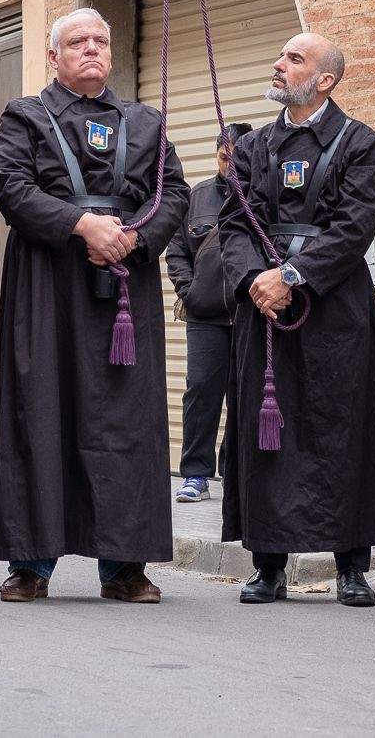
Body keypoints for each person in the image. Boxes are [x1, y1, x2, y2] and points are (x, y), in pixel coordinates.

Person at [0, 9, 189, 605]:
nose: (93, 49)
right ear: (54, 57)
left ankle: (125, 567)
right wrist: (80, 225)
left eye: (101, 40)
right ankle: (31, 564)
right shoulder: (24, 116)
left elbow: (174, 191)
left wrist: (134, 236)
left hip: (124, 282)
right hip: (47, 281)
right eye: (78, 42)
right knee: (39, 408)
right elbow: (14, 188)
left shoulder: (145, 121)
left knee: (125, 418)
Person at [216, 33, 375, 608]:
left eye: (294, 59)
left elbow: (353, 228)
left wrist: (293, 277)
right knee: (268, 433)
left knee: (344, 430)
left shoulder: (361, 144)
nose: (278, 64)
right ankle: (268, 564)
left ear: (325, 80)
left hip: (335, 310)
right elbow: (234, 224)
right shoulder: (255, 147)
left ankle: (352, 565)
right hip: (265, 306)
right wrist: (256, 279)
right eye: (280, 55)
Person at [165, 123, 251, 504]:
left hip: (250, 313)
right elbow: (177, 250)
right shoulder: (196, 196)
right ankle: (195, 474)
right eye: (223, 157)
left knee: (243, 396)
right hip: (205, 316)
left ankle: (233, 472)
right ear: (218, 153)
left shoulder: (261, 195)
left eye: (238, 158)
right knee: (201, 392)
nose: (230, 166)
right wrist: (189, 290)